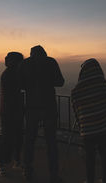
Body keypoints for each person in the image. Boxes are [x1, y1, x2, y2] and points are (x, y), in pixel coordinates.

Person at [18, 45, 64, 183]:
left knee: (29, 140)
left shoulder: (24, 64)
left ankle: (28, 171)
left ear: (31, 54)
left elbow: (20, 85)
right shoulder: (51, 61)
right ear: (44, 52)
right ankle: (54, 175)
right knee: (51, 142)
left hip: (32, 107)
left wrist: (31, 85)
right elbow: (60, 82)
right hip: (49, 107)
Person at [71, 59, 106, 183]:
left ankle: (90, 180)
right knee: (104, 153)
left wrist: (81, 125)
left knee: (90, 157)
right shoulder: (102, 83)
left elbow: (75, 107)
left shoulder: (78, 88)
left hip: (88, 128)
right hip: (104, 126)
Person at [0, 52, 24, 176]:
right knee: (8, 138)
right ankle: (2, 163)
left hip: (11, 111)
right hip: (9, 111)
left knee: (16, 137)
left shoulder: (10, 73)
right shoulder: (9, 74)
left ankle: (15, 161)